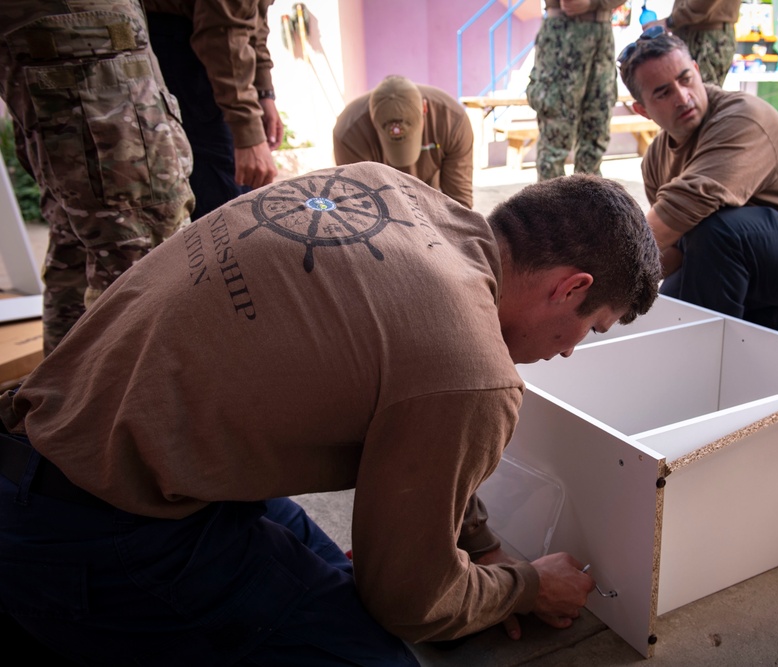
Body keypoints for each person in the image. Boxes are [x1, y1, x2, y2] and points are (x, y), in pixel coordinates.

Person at [0, 162, 661, 663]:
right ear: (570, 286)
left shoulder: (385, 186)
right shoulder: (473, 371)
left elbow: (425, 432)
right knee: (386, 652)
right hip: (91, 537)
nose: (571, 351)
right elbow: (410, 600)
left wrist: (481, 545)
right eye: (590, 326)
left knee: (340, 580)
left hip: (46, 441)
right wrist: (525, 588)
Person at [0, 0, 194, 355]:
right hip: (79, 24)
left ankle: (66, 404)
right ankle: (137, 407)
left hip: (70, 30)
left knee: (81, 241)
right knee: (148, 250)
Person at [617, 27, 778, 329]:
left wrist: (604, 271)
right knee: (659, 314)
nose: (683, 97)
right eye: (663, 93)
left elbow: (681, 211)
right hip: (730, 251)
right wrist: (616, 300)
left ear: (697, 70)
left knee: (717, 231)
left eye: (685, 79)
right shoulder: (656, 157)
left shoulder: (742, 117)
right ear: (642, 110)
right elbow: (669, 248)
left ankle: (704, 359)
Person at [146, 0, 282, 221]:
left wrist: (264, 92)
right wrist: (247, 130)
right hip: (190, 49)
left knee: (244, 198)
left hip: (222, 55)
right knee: (227, 207)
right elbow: (223, 30)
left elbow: (253, 16)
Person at [334, 75, 474, 209]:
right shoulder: (348, 133)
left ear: (424, 109)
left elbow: (460, 205)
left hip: (429, 195)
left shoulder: (452, 122)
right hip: (380, 197)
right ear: (372, 117)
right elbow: (359, 205)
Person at [525, 0, 620, 181]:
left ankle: (588, 204)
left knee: (596, 129)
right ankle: (548, 206)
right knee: (555, 138)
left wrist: (594, 2)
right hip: (562, 32)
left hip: (603, 33)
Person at [644, 0, 742, 86]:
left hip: (706, 35)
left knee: (697, 98)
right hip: (695, 32)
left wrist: (670, 22)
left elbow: (702, 5)